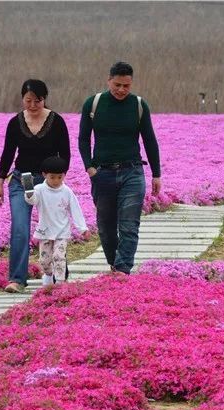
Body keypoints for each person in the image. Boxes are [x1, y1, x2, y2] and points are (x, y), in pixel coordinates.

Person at [78, 61, 162, 275]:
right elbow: (83, 139)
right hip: (102, 174)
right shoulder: (93, 104)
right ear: (109, 80)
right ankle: (115, 265)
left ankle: (122, 271)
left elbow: (150, 140)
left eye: (126, 86)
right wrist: (89, 168)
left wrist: (156, 174)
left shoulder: (139, 105)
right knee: (106, 229)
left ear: (131, 83)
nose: (121, 90)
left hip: (132, 172)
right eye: (117, 85)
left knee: (129, 225)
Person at [0, 79, 70, 292]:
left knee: (55, 228)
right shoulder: (15, 122)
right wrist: (0, 183)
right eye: (28, 100)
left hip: (48, 183)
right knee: (20, 228)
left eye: (37, 100)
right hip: (22, 180)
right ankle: (17, 279)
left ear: (44, 99)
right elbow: (7, 154)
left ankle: (59, 275)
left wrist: (56, 179)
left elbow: (65, 155)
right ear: (22, 99)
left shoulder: (56, 122)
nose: (33, 105)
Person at [23, 156, 87, 286]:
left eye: (60, 177)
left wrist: (82, 228)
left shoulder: (67, 191)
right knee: (44, 260)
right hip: (45, 230)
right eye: (52, 177)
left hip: (61, 231)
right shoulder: (39, 189)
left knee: (59, 257)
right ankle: (48, 276)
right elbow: (32, 201)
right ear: (44, 175)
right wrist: (29, 193)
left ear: (64, 175)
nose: (56, 180)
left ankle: (60, 283)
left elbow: (75, 209)